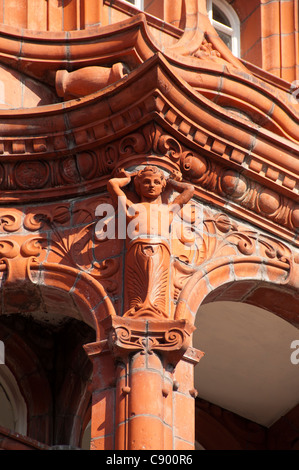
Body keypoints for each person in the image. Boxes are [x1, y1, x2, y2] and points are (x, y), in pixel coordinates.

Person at [107, 165, 194, 319]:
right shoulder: (133, 208)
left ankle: (154, 310)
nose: (152, 185)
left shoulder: (168, 209)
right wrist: (127, 179)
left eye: (156, 182)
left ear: (162, 187)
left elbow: (189, 190)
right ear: (138, 187)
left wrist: (172, 181)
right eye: (146, 182)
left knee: (157, 283)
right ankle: (139, 309)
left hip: (161, 249)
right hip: (137, 247)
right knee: (137, 282)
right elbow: (113, 184)